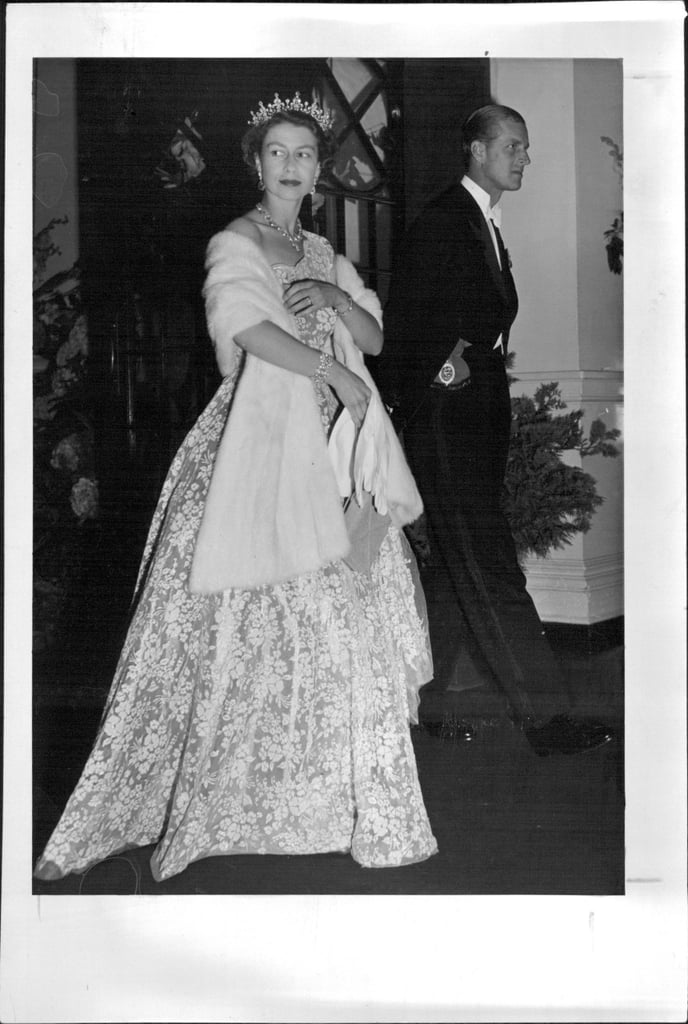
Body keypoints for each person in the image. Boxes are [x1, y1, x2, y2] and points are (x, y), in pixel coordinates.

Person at [34, 92, 438, 883]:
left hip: (336, 446)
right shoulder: (235, 241)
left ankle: (329, 796)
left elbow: (378, 337)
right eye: (278, 153)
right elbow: (243, 328)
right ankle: (217, 799)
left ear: (318, 170)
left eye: (304, 154)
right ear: (256, 163)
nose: (292, 166)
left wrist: (333, 301)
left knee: (345, 615)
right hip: (259, 439)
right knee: (232, 621)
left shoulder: (325, 254)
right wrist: (326, 368)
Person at [381, 103, 613, 757]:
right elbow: (411, 327)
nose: (523, 158)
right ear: (477, 151)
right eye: (512, 146)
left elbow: (467, 320)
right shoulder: (444, 220)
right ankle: (547, 719)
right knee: (490, 567)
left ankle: (412, 705)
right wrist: (445, 378)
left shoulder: (480, 221)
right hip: (449, 427)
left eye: (526, 148)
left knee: (458, 576)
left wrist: (462, 369)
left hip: (474, 422)